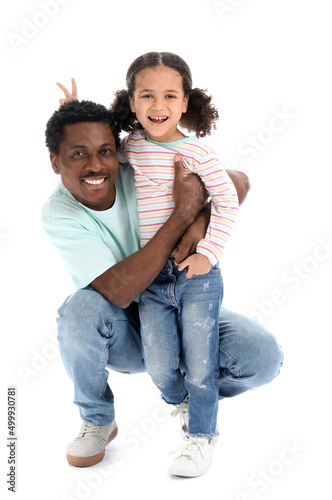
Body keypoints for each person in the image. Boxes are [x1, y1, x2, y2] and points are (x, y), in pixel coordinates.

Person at [42, 98, 283, 474]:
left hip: (183, 306)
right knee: (79, 307)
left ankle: (193, 399)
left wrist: (202, 218)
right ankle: (97, 418)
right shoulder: (60, 212)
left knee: (263, 357)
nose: (95, 166)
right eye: (77, 154)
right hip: (124, 330)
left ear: (117, 152)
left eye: (105, 151)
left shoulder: (138, 166)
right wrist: (183, 214)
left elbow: (238, 181)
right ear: (55, 161)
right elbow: (119, 291)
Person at [107, 51, 239, 476]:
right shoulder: (132, 147)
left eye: (169, 96)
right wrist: (68, 116)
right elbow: (98, 153)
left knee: (201, 364)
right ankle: (180, 403)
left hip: (195, 276)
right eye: (146, 96)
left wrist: (208, 253)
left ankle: (201, 436)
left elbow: (228, 200)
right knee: (161, 364)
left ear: (186, 103)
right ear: (131, 103)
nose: (158, 106)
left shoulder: (196, 151)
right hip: (150, 279)